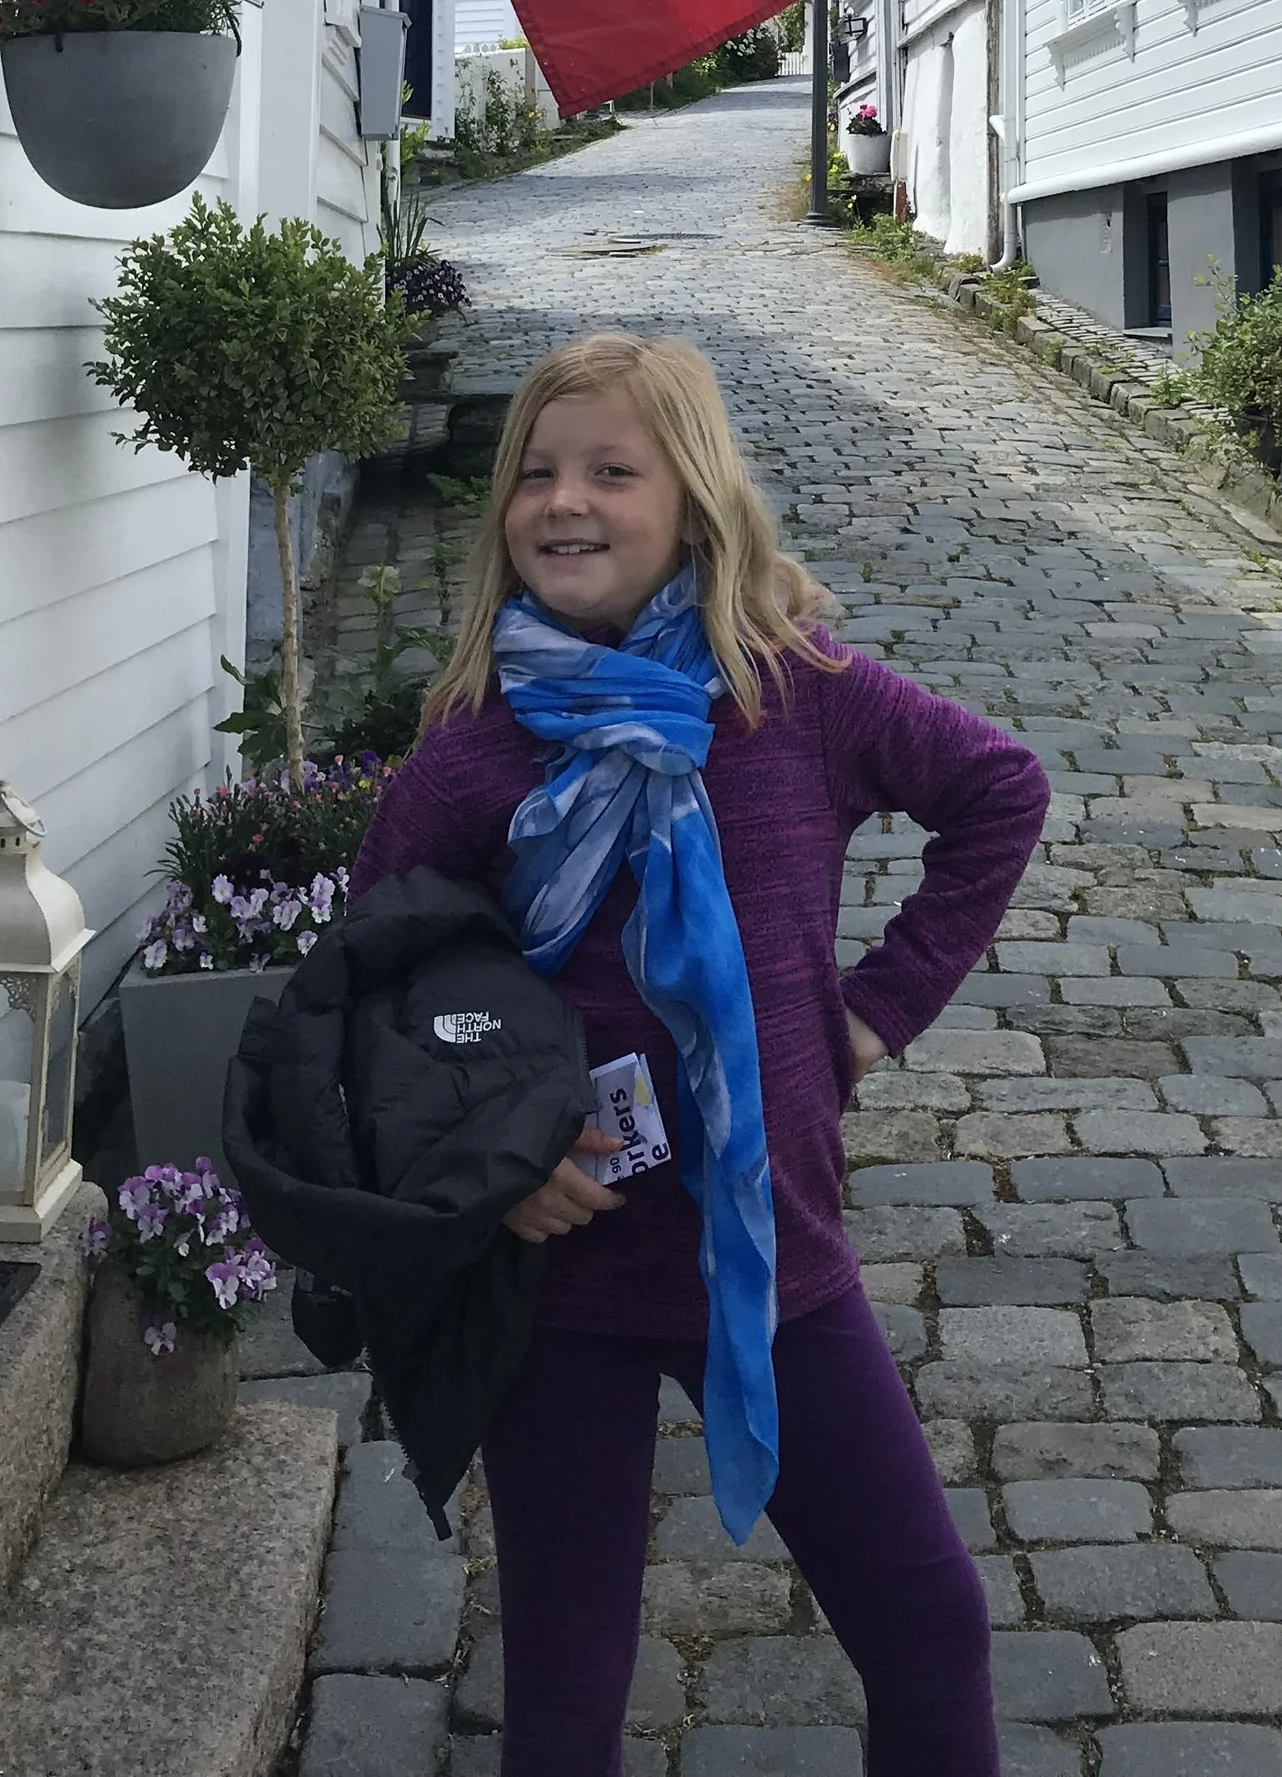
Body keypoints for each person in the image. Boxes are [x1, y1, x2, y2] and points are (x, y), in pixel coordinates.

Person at [345, 328, 1050, 1777]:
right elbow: (372, 984)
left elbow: (999, 792)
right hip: (561, 1293)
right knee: (564, 1689)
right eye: (536, 475)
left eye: (613, 470)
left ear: (695, 499)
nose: (565, 502)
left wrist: (874, 1011)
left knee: (931, 1630)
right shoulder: (476, 747)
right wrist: (495, 1151)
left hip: (774, 1257)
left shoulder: (794, 692)